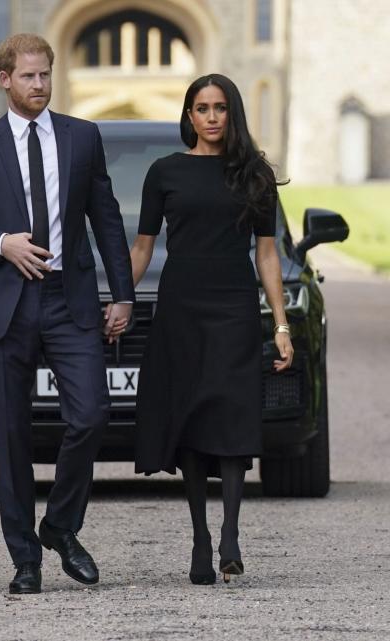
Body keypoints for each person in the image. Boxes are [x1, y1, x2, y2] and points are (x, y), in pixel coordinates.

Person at [0, 33, 134, 594]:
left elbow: (107, 218)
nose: (40, 85)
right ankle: (25, 559)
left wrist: (120, 292)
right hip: (5, 303)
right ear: (5, 79)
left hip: (68, 301)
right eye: (28, 76)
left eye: (46, 74)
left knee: (92, 414)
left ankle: (60, 526)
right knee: (11, 438)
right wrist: (1, 243)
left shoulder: (82, 137)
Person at [126, 73, 293, 585]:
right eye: (202, 108)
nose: (212, 116)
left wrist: (281, 324)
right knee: (193, 418)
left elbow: (267, 255)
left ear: (232, 112)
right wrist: (117, 299)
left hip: (234, 307)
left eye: (220, 107)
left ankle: (231, 535)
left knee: (232, 412)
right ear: (190, 115)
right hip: (182, 308)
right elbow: (143, 247)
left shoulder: (255, 175)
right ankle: (200, 537)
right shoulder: (165, 172)